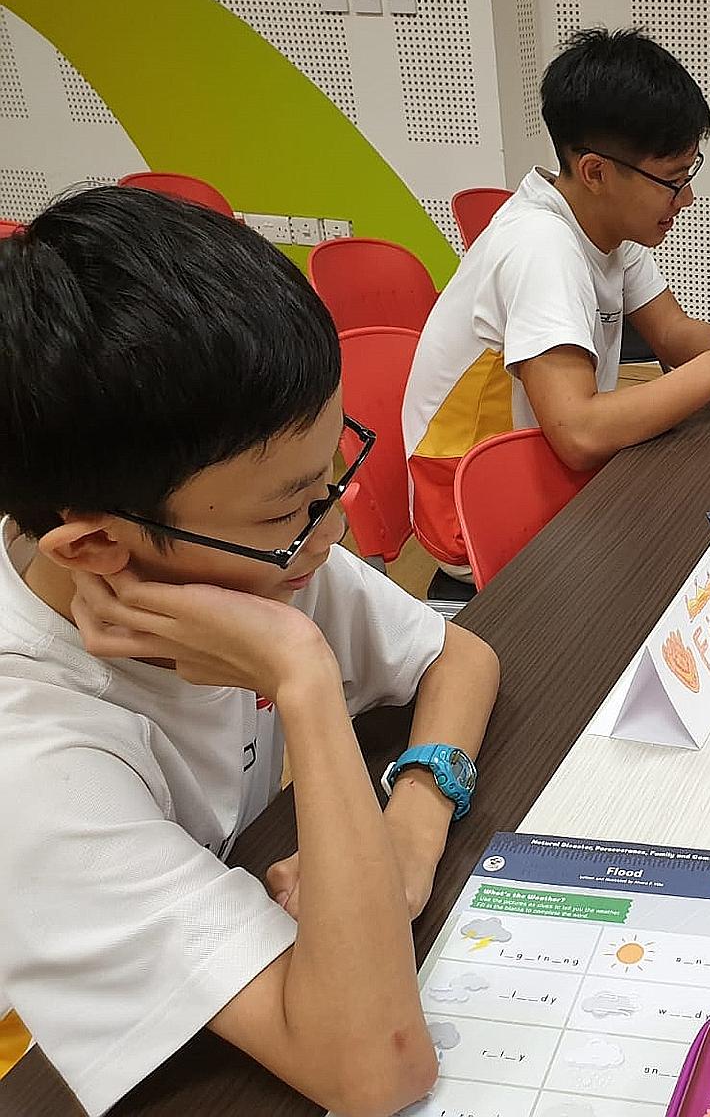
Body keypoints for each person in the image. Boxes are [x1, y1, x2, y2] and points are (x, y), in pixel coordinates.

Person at [0, 187, 500, 1117]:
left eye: (330, 477)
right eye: (290, 508)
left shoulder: (253, 548)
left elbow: (459, 659)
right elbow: (375, 1069)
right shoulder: (31, 762)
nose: (334, 529)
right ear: (98, 547)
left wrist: (417, 817)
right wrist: (302, 678)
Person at [403, 28, 710, 574]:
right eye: (671, 180)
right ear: (595, 172)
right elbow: (580, 434)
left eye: (688, 174)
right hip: (475, 507)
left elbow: (673, 334)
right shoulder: (541, 247)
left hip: (541, 470)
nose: (686, 198)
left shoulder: (603, 226)